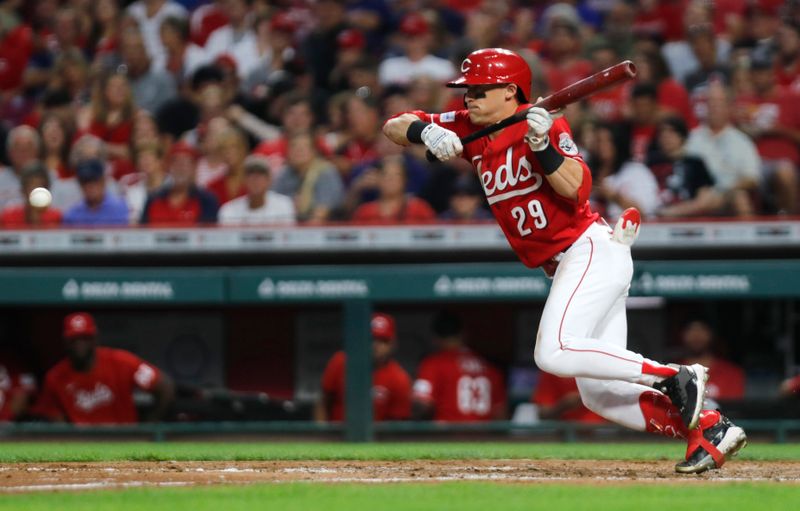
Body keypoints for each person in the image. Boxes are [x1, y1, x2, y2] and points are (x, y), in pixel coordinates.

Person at [383, 47, 746, 474]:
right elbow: (394, 124)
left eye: (480, 90)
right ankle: (710, 428)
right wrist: (425, 133)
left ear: (510, 91)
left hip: (587, 250)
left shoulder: (547, 123)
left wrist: (542, 146)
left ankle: (671, 375)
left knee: (553, 352)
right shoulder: (468, 126)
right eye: (468, 91)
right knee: (601, 396)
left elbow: (576, 189)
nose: (470, 99)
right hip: (569, 264)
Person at [31, 312, 174, 424]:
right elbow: (54, 418)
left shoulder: (121, 361)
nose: (79, 344)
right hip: (82, 443)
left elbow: (165, 385)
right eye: (74, 340)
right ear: (65, 342)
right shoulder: (55, 377)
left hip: (125, 438)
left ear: (95, 339)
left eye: (85, 338)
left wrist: (149, 425)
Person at [316, 312, 411, 422]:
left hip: (377, 438)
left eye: (383, 341)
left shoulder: (399, 379)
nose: (376, 345)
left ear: (393, 345)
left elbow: (397, 424)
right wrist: (321, 435)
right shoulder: (340, 362)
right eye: (371, 339)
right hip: (337, 436)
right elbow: (323, 402)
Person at [412, 310, 506, 422]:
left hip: (448, 436)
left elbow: (422, 404)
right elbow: (501, 414)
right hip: (483, 436)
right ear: (463, 334)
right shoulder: (490, 368)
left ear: (435, 339)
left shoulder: (433, 364)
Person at [140, 142, 218, 226]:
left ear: (194, 168)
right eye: (176, 162)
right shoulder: (153, 199)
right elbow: (142, 234)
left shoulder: (206, 200)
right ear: (169, 167)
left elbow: (209, 236)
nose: (180, 168)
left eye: (185, 163)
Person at [678, 319, 745, 403]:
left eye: (702, 329)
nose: (696, 335)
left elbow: (734, 411)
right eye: (690, 329)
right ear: (682, 334)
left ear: (712, 334)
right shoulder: (672, 372)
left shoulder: (732, 373)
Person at [218, 155, 296, 225]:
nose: (255, 179)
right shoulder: (229, 211)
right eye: (250, 174)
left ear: (269, 179)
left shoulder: (284, 205)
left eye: (261, 174)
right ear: (243, 180)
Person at [62, 159, 129, 227]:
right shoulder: (73, 214)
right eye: (84, 182)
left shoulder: (120, 208)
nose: (89, 186)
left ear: (103, 181)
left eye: (94, 180)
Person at [532, 372, 604, 423]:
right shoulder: (551, 371)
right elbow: (543, 414)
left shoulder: (602, 367)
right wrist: (562, 406)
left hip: (601, 433)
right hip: (564, 434)